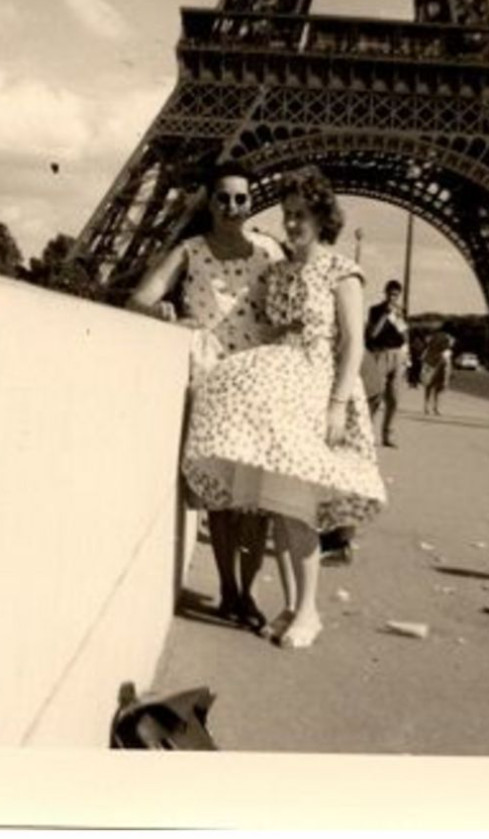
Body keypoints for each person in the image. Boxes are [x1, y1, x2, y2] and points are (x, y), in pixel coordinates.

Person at [182, 168, 386, 650]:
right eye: (288, 215)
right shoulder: (280, 271)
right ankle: (293, 607)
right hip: (283, 393)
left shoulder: (343, 272)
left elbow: (353, 343)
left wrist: (336, 405)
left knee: (297, 508)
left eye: (302, 215)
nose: (293, 224)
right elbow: (259, 326)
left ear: (322, 217)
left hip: (318, 391)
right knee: (279, 505)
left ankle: (310, 612)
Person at [128, 163, 287, 631]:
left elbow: (286, 311)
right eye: (223, 198)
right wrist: (163, 312)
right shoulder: (190, 251)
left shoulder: (270, 252)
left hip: (258, 380)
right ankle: (229, 590)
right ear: (209, 202)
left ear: (251, 201)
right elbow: (138, 299)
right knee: (220, 497)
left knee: (255, 501)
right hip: (213, 379)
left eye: (241, 198)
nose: (232, 207)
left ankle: (249, 592)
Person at [365, 279, 408, 447]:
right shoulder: (375, 310)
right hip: (380, 353)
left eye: (396, 295)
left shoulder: (401, 311)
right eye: (390, 294)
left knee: (395, 398)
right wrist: (385, 316)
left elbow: (405, 337)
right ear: (385, 293)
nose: (392, 298)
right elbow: (373, 334)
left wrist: (399, 319)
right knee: (376, 396)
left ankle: (388, 435)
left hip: (398, 355)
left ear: (399, 295)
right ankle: (367, 432)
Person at [421, 327, 454, 415]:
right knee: (438, 387)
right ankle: (435, 407)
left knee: (429, 386)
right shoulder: (447, 337)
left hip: (431, 362)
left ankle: (427, 406)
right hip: (438, 362)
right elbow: (448, 350)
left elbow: (426, 345)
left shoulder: (432, 337)